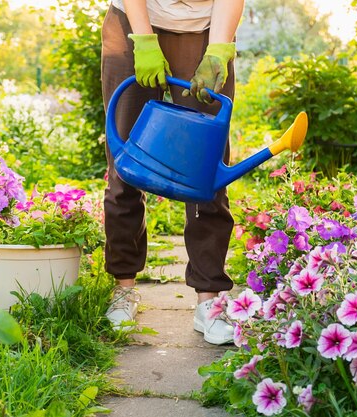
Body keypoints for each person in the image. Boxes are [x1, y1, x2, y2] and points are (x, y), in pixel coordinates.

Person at [101, 0, 245, 345]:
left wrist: (220, 49)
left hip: (204, 30)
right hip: (133, 20)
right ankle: (123, 289)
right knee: (126, 162)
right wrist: (144, 39)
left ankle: (209, 301)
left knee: (206, 170)